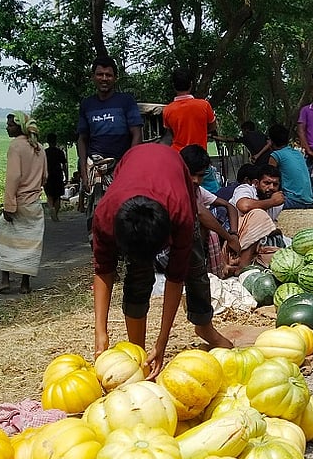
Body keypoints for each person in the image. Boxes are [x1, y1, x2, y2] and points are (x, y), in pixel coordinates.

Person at [90, 142, 234, 376]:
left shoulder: (181, 215)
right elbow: (103, 271)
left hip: (173, 170)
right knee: (137, 275)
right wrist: (100, 334)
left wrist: (162, 342)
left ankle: (205, 327)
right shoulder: (105, 217)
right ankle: (138, 350)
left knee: (194, 265)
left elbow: (175, 279)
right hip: (132, 160)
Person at [77, 56, 143, 231]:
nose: (104, 79)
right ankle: (100, 254)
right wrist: (84, 172)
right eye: (100, 74)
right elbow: (82, 139)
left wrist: (130, 166)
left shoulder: (126, 101)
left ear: (115, 78)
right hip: (95, 169)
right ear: (93, 77)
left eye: (108, 75)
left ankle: (123, 253)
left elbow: (137, 134)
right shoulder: (87, 104)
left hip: (121, 167)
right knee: (97, 216)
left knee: (124, 213)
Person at [0, 112, 48, 295]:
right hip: (34, 203)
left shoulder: (15, 146)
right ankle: (25, 284)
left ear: (20, 127)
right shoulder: (40, 148)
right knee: (30, 243)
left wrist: (9, 205)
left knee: (5, 238)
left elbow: (13, 177)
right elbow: (44, 178)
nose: (7, 127)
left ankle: (5, 280)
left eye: (10, 124)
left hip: (18, 202)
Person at [180, 144, 241, 277]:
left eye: (200, 175)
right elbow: (200, 212)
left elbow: (229, 206)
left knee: (219, 215)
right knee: (208, 228)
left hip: (194, 248)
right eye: (191, 174)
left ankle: (220, 266)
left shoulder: (199, 191)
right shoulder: (177, 188)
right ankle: (209, 271)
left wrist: (234, 234)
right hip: (170, 250)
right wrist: (229, 238)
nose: (196, 180)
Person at [230, 164, 287, 271]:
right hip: (234, 236)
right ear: (256, 183)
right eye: (267, 183)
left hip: (259, 241)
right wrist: (272, 202)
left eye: (275, 184)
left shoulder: (277, 202)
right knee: (258, 215)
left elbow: (268, 227)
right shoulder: (245, 189)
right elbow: (244, 206)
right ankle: (243, 267)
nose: (271, 187)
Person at [162, 68, 218, 152]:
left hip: (178, 156)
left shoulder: (167, 110)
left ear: (173, 86)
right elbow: (212, 127)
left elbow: (171, 132)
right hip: (198, 156)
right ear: (191, 84)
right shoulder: (204, 105)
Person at [267, 123, 313, 208]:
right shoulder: (298, 153)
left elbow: (269, 180)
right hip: (309, 200)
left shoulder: (276, 155)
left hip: (292, 201)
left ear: (271, 141)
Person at [44, 133, 67, 221]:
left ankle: (51, 208)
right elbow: (64, 164)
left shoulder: (45, 152)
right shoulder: (59, 152)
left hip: (48, 175)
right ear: (55, 141)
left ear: (48, 141)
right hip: (58, 175)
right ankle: (56, 215)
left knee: (49, 195)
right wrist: (66, 176)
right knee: (57, 196)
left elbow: (42, 165)